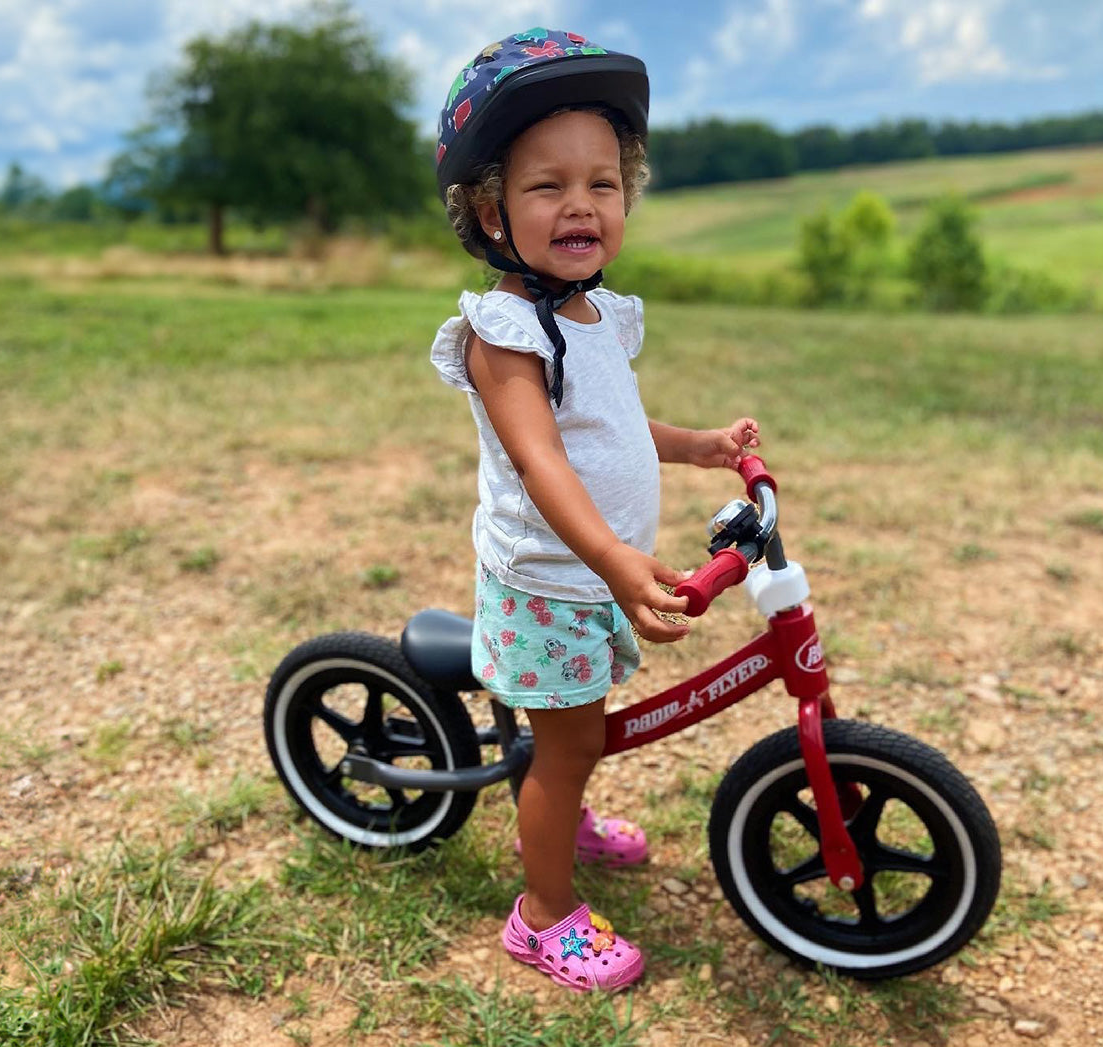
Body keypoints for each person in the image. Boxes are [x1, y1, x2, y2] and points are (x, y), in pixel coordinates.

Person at [430, 28, 760, 992]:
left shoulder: (595, 314)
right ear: (488, 209)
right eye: (546, 186)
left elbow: (608, 424)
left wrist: (695, 444)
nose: (580, 203)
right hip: (549, 583)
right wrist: (618, 560)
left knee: (573, 734)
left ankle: (559, 812)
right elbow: (542, 463)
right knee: (569, 743)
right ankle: (541, 916)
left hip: (592, 575)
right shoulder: (504, 335)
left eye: (603, 182)